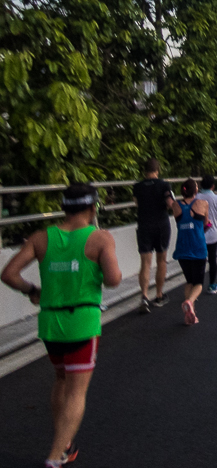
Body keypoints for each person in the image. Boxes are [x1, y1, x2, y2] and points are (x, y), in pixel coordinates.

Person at [2, 184, 122, 468]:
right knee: (76, 392)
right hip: (81, 323)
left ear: (64, 207)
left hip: (51, 326)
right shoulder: (100, 238)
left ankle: (65, 443)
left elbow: (8, 274)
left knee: (61, 379)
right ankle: (55, 456)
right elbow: (114, 278)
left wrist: (32, 289)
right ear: (93, 208)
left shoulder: (41, 238)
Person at [132, 158, 175, 313]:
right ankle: (158, 295)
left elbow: (136, 203)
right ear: (158, 170)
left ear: (145, 171)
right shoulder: (164, 185)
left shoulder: (137, 187)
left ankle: (144, 296)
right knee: (161, 260)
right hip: (161, 224)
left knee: (145, 262)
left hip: (144, 224)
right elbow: (170, 203)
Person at [172, 179, 210, 325]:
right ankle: (190, 301)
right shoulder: (203, 204)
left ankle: (190, 312)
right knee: (199, 283)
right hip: (198, 247)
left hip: (182, 247)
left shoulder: (176, 205)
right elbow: (206, 223)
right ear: (195, 190)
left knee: (189, 280)